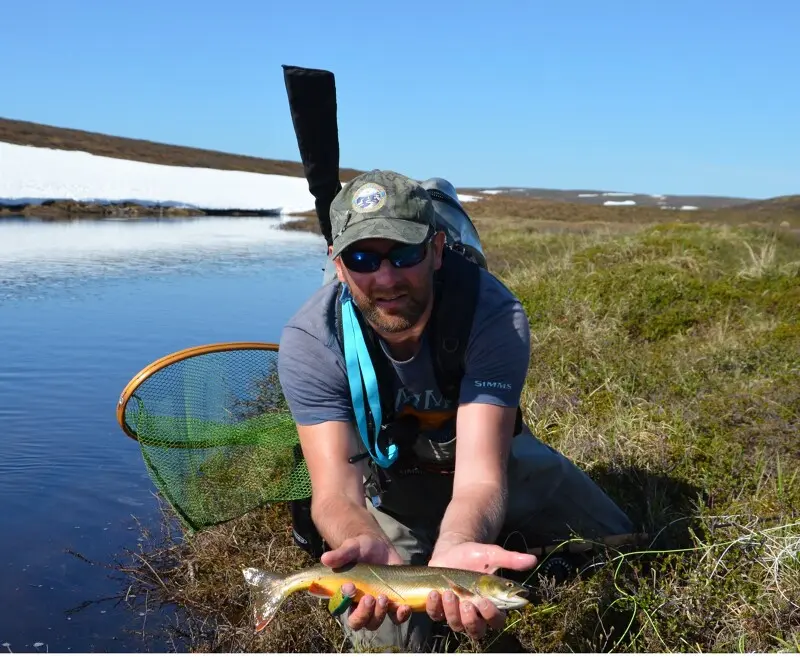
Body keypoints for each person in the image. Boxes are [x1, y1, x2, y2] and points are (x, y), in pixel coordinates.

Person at [277, 169, 633, 652]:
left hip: (489, 460)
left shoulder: (493, 316)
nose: (385, 279)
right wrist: (359, 538)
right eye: (362, 258)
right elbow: (335, 493)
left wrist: (457, 542)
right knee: (391, 642)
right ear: (338, 265)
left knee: (622, 544)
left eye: (404, 254)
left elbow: (480, 478)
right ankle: (477, 544)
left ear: (437, 249)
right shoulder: (311, 343)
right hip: (389, 485)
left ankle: (498, 543)